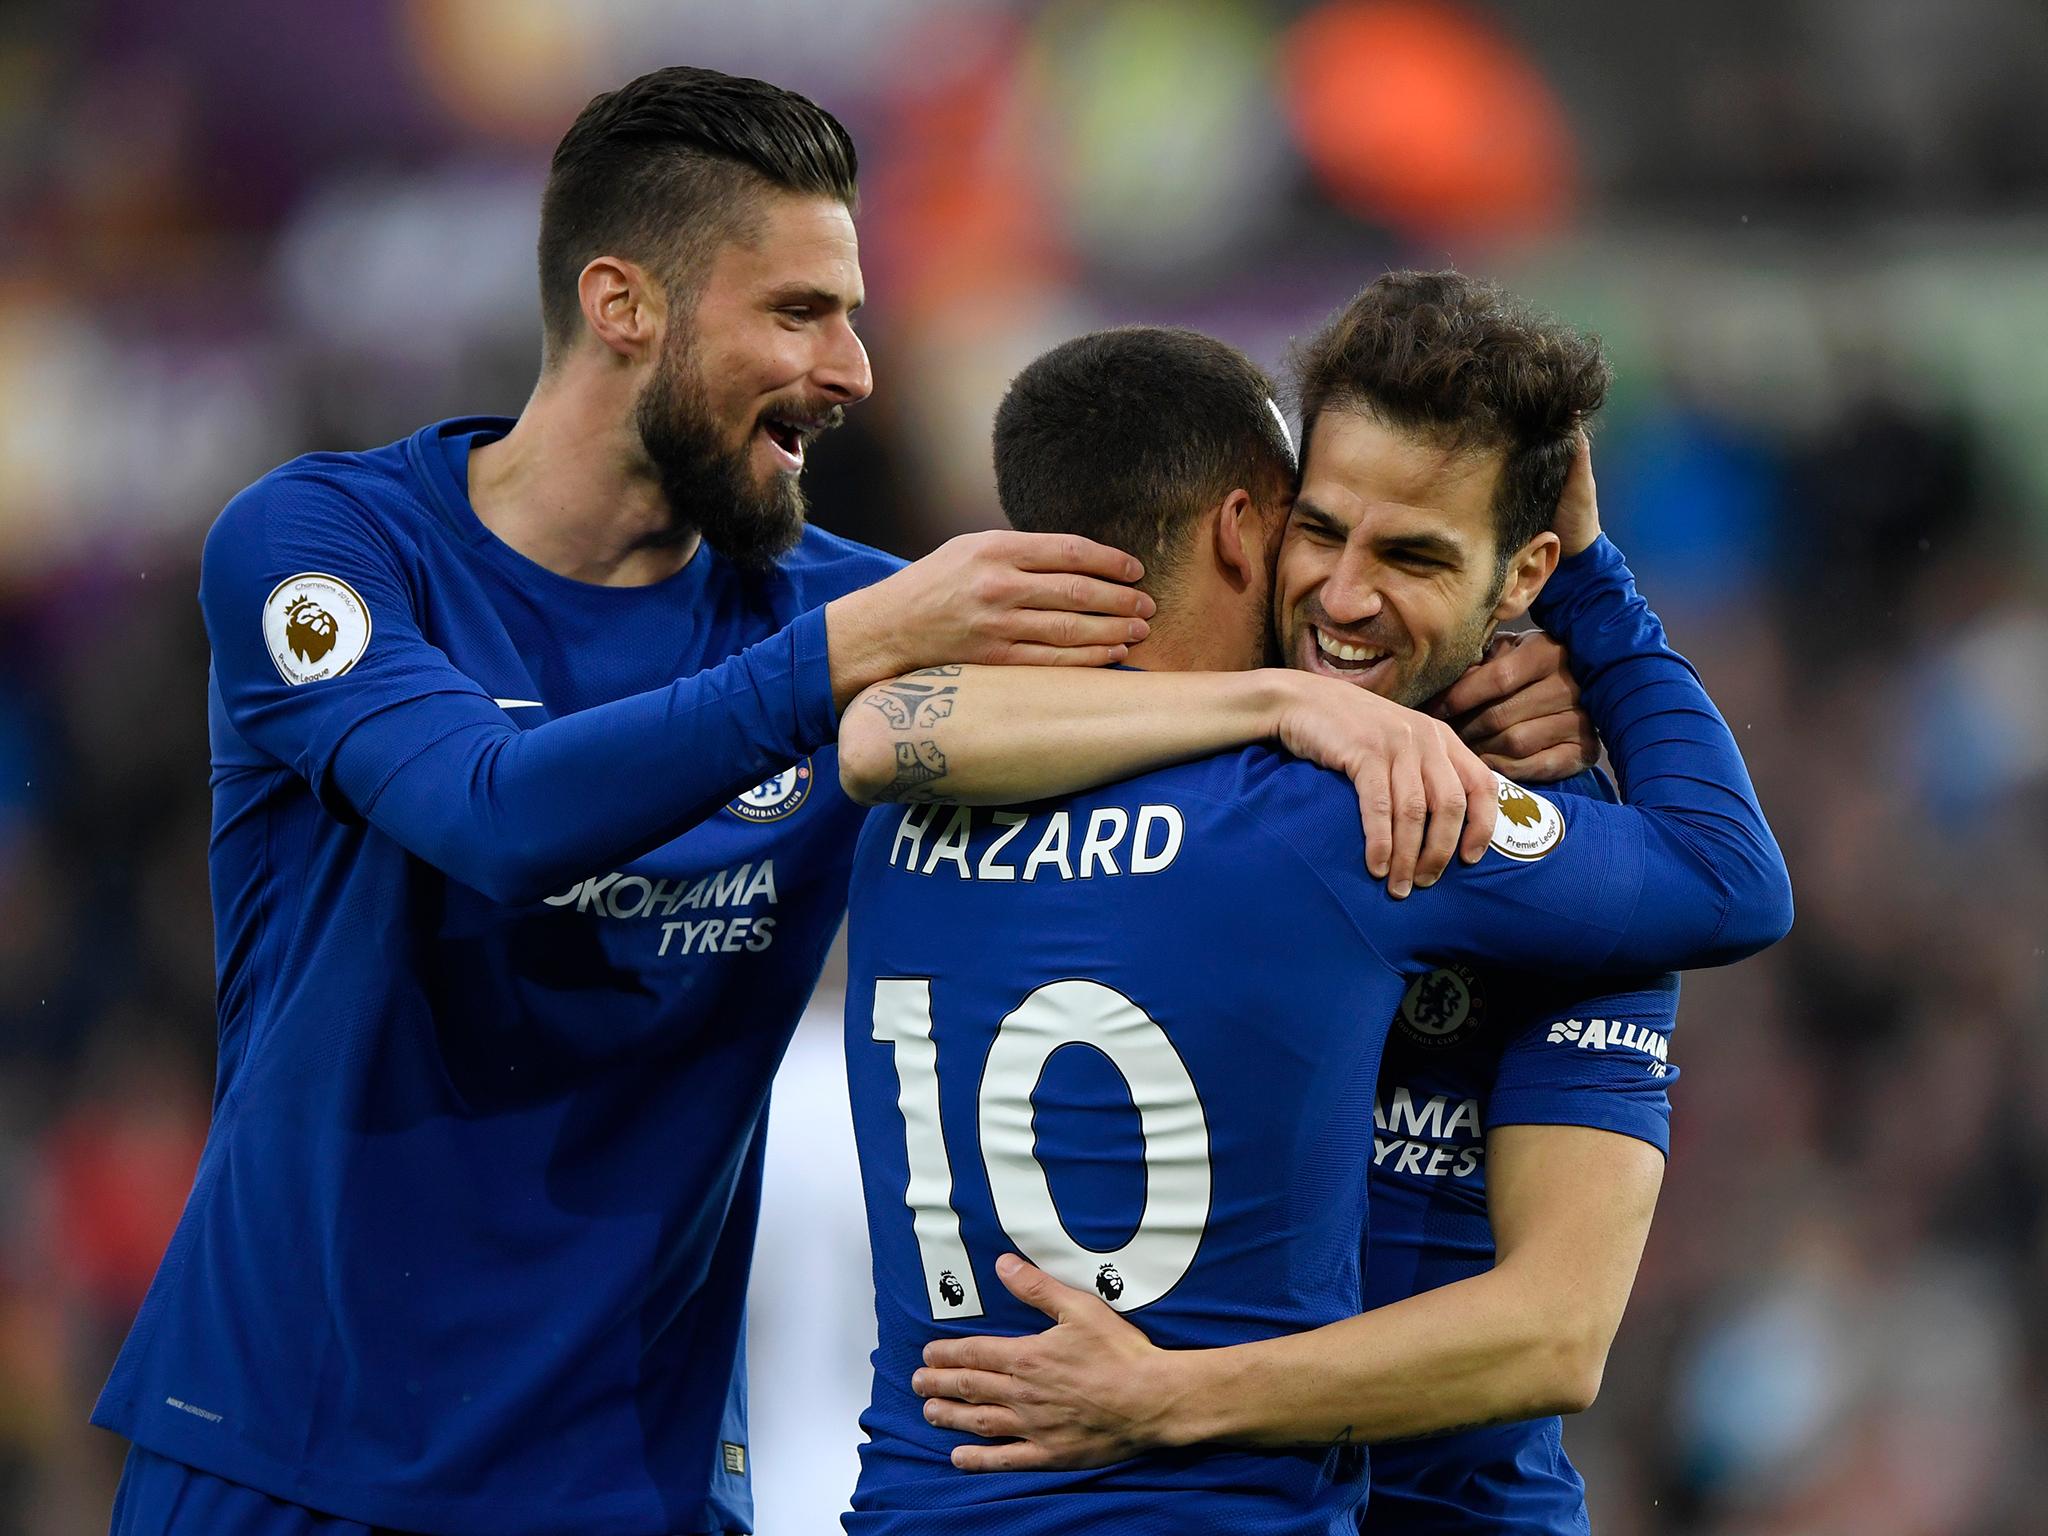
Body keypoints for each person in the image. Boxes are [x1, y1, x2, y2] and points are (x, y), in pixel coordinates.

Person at [835, 325, 1791, 1533]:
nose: (1342, 596)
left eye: (1413, 554)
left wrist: (1169, 1396)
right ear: (1253, 527)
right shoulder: (1326, 812)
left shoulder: (1517, 827)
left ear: (1518, 577)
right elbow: (1727, 875)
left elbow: (1552, 1332)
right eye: (1320, 530)